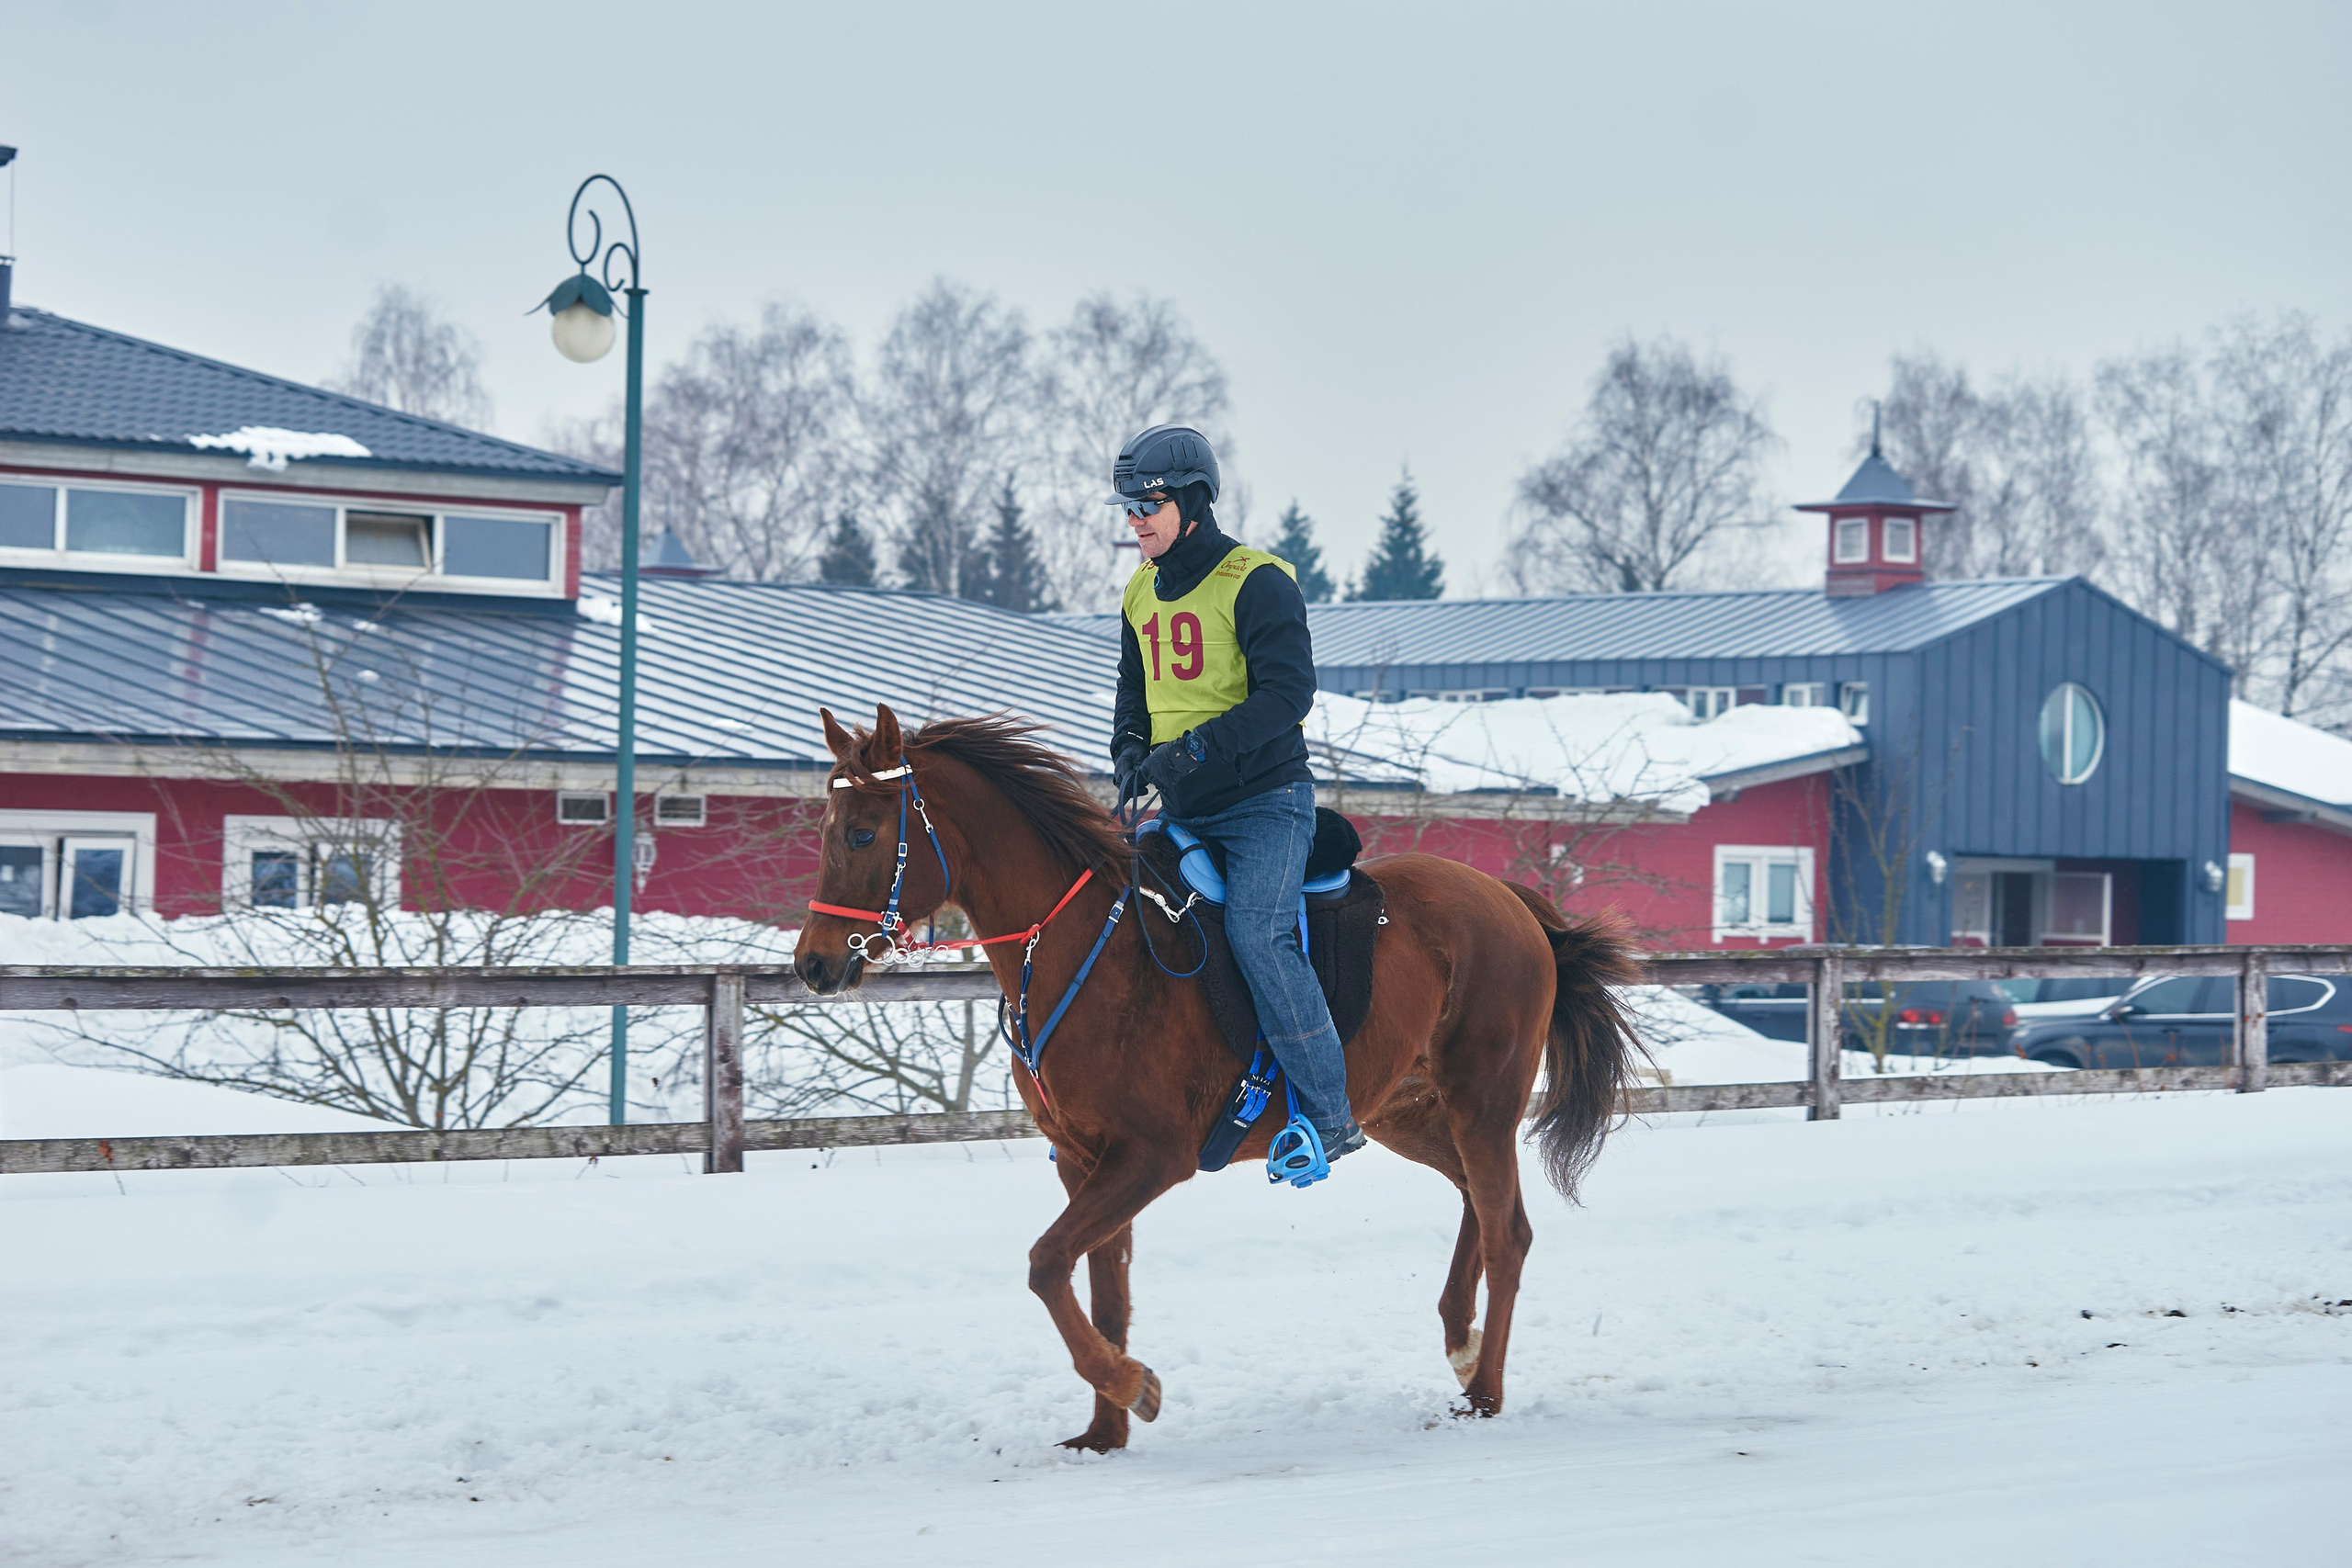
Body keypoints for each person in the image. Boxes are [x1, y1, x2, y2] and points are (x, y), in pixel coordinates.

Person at [1105, 423, 1365, 1179]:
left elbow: (1289, 696)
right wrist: (1128, 749)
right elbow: (1133, 695)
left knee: (1258, 936)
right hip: (1183, 810)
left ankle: (1328, 1115)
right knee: (1120, 920)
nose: (1137, 521)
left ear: (1191, 500)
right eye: (1128, 509)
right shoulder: (1138, 591)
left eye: (1148, 503)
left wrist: (1190, 750)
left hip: (1263, 803)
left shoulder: (1258, 581)